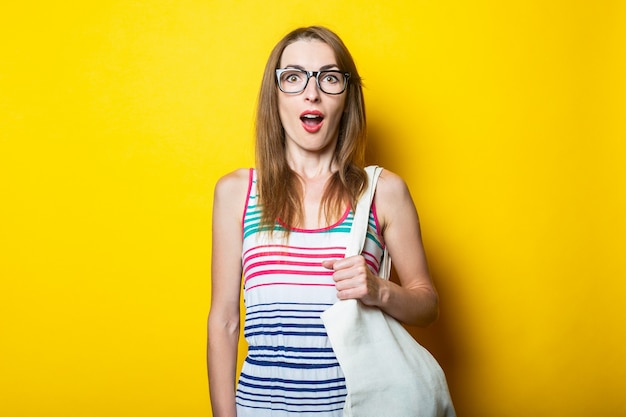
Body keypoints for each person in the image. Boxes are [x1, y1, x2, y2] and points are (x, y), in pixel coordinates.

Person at [207, 26, 439, 417]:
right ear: (275, 97)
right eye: (294, 77)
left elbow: (427, 304)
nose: (311, 92)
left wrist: (379, 291)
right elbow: (225, 320)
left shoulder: (384, 191)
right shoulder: (236, 192)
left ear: (347, 99)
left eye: (329, 78)